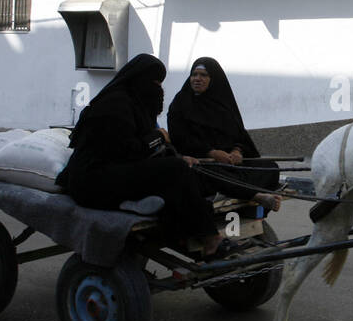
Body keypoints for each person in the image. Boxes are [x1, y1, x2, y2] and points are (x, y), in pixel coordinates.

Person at [56, 54, 233, 257]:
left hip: (114, 171)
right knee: (175, 170)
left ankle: (184, 233)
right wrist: (157, 138)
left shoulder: (135, 105)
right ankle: (209, 237)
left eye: (160, 83)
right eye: (154, 82)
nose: (158, 88)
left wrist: (175, 154)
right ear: (138, 80)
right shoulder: (113, 106)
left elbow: (142, 149)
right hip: (93, 181)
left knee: (187, 171)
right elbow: (126, 151)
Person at [167, 57, 282, 211]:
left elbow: (239, 135)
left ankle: (232, 189)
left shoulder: (222, 103)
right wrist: (212, 152)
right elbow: (179, 138)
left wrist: (237, 151)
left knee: (270, 167)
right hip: (203, 161)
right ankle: (255, 195)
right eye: (194, 74)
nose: (197, 79)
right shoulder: (181, 103)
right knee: (207, 173)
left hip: (230, 164)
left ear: (213, 79)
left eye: (203, 75)